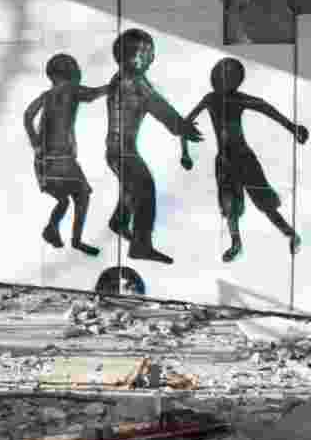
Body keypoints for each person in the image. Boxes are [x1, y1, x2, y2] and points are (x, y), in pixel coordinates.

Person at [180, 57, 307, 263]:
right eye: (220, 73)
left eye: (227, 75)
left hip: (244, 159)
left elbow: (265, 107)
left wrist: (292, 127)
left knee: (265, 204)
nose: (221, 78)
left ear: (234, 80)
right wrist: (184, 153)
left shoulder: (237, 99)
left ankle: (291, 234)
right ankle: (236, 244)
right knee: (229, 206)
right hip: (224, 160)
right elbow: (185, 124)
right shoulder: (210, 99)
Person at [106, 29, 202, 265]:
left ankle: (119, 221)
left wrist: (179, 125)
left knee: (132, 185)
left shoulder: (123, 79)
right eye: (148, 53)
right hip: (123, 151)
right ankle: (141, 246)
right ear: (134, 56)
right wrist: (181, 126)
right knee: (144, 188)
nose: (152, 58)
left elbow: (155, 102)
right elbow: (157, 105)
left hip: (117, 150)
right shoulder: (134, 82)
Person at [23, 53, 108, 256]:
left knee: (64, 200)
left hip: (43, 162)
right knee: (82, 195)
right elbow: (92, 94)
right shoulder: (70, 89)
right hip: (61, 160)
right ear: (70, 72)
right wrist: (112, 85)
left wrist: (35, 141)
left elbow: (28, 115)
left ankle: (51, 229)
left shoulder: (46, 95)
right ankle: (75, 240)